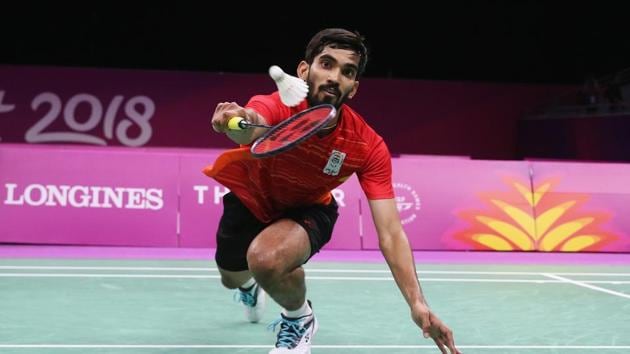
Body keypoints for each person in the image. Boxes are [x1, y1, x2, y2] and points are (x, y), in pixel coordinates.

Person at [205, 28, 461, 354]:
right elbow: (252, 124)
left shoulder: (367, 145)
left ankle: (299, 320)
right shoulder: (277, 105)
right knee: (232, 277)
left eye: (347, 72)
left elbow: (391, 233)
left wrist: (417, 304)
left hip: (308, 210)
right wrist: (235, 118)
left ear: (353, 88)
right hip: (251, 200)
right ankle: (251, 286)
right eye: (326, 64)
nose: (334, 77)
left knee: (266, 259)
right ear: (303, 71)